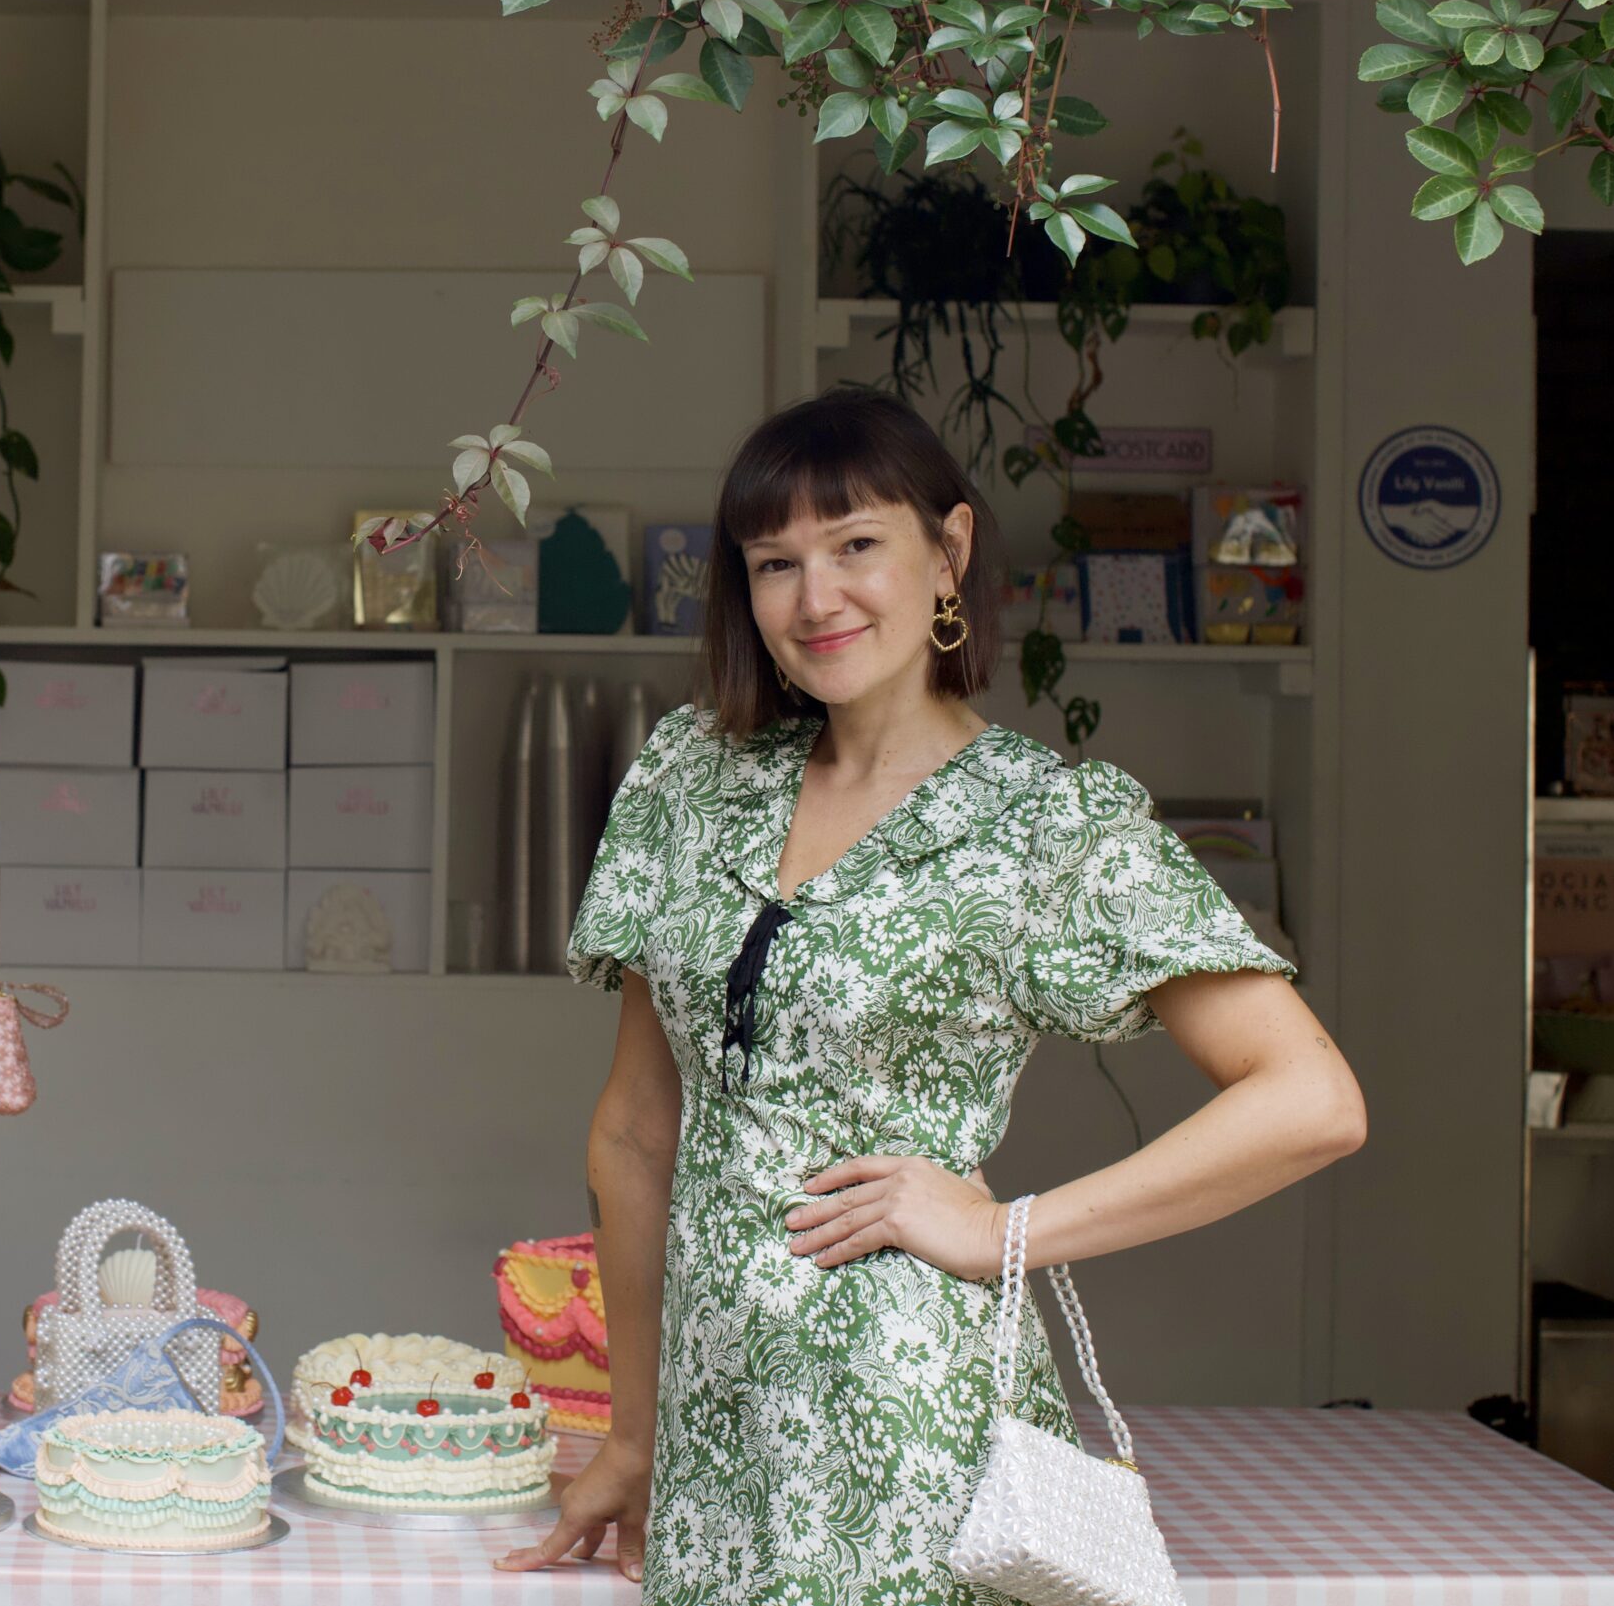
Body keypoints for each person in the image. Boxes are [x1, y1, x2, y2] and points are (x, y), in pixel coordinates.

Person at [496, 388, 1366, 1601]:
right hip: (714, 1459)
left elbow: (1312, 1099)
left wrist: (1004, 1232)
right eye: (775, 562)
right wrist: (634, 1435)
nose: (817, 597)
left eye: (857, 544)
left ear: (948, 551)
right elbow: (639, 1132)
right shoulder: (692, 777)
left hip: (914, 1446)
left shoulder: (1046, 825)